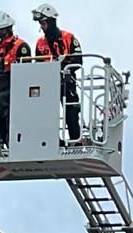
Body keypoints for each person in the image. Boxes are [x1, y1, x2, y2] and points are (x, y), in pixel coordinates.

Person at [31, 3, 82, 142]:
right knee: (46, 115)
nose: (42, 26)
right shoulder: (40, 43)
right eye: (40, 23)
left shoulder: (69, 37)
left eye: (43, 23)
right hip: (47, 85)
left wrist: (65, 68)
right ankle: (52, 142)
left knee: (71, 114)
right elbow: (38, 64)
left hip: (67, 83)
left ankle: (75, 142)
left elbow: (78, 59)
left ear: (51, 21)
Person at [0, 12, 32, 146]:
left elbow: (26, 69)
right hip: (4, 80)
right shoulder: (2, 48)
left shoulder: (21, 46)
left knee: (3, 103)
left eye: (1, 32)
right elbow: (2, 67)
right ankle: (0, 137)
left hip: (16, 82)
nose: (0, 35)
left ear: (8, 29)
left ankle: (9, 137)